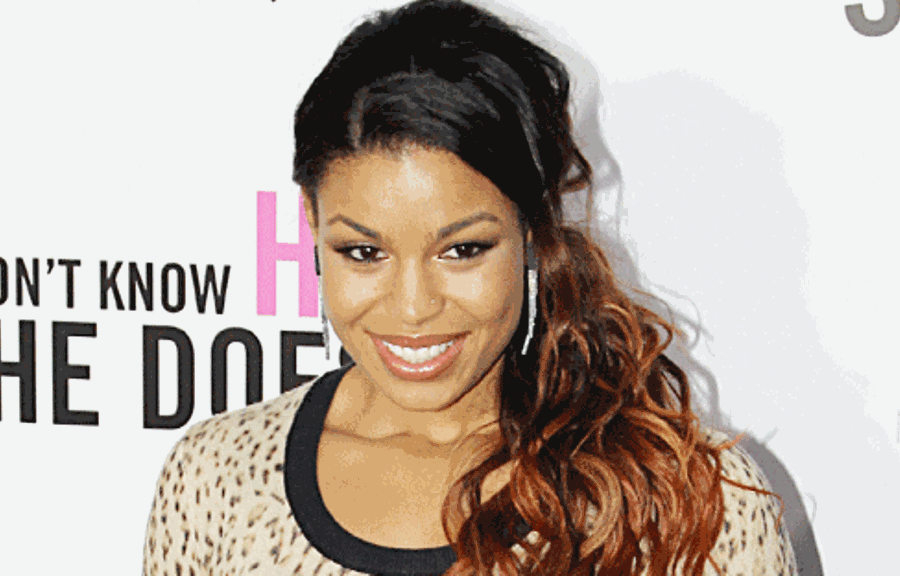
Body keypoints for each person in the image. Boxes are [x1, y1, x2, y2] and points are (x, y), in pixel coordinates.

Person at [143, 1, 798, 574]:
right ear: (312, 225)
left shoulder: (690, 501)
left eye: (462, 250)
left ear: (532, 228)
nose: (412, 307)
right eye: (363, 252)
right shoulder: (218, 479)